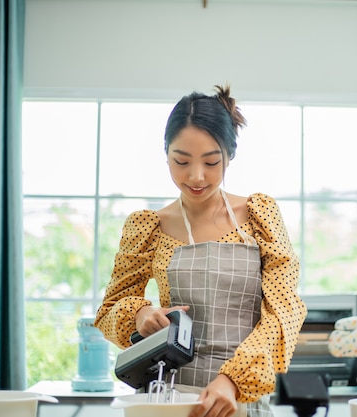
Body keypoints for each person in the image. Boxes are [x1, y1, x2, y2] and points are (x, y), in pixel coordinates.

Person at [94, 84, 307, 417]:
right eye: (181, 161)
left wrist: (232, 380)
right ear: (165, 154)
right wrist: (142, 315)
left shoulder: (259, 216)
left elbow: (284, 310)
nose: (196, 176)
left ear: (229, 155)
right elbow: (109, 309)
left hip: (238, 397)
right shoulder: (148, 226)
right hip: (170, 396)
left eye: (211, 162)